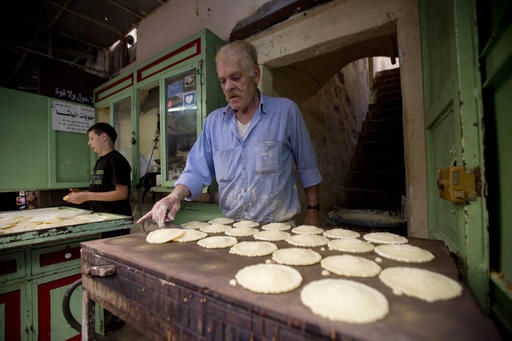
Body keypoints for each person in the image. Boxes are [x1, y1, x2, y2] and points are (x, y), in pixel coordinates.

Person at [138, 40, 321, 227]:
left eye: (236, 77)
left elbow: (308, 167)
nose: (228, 87)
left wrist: (313, 211)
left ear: (255, 75)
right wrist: (173, 197)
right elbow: (195, 171)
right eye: (223, 81)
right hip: (233, 228)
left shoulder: (286, 113)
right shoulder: (214, 124)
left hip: (278, 227)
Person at [64, 122, 132, 217]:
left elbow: (122, 193)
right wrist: (82, 193)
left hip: (116, 217)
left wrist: (87, 196)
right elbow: (103, 189)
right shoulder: (100, 161)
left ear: (104, 136)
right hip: (101, 215)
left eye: (92, 138)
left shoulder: (116, 160)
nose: (89, 143)